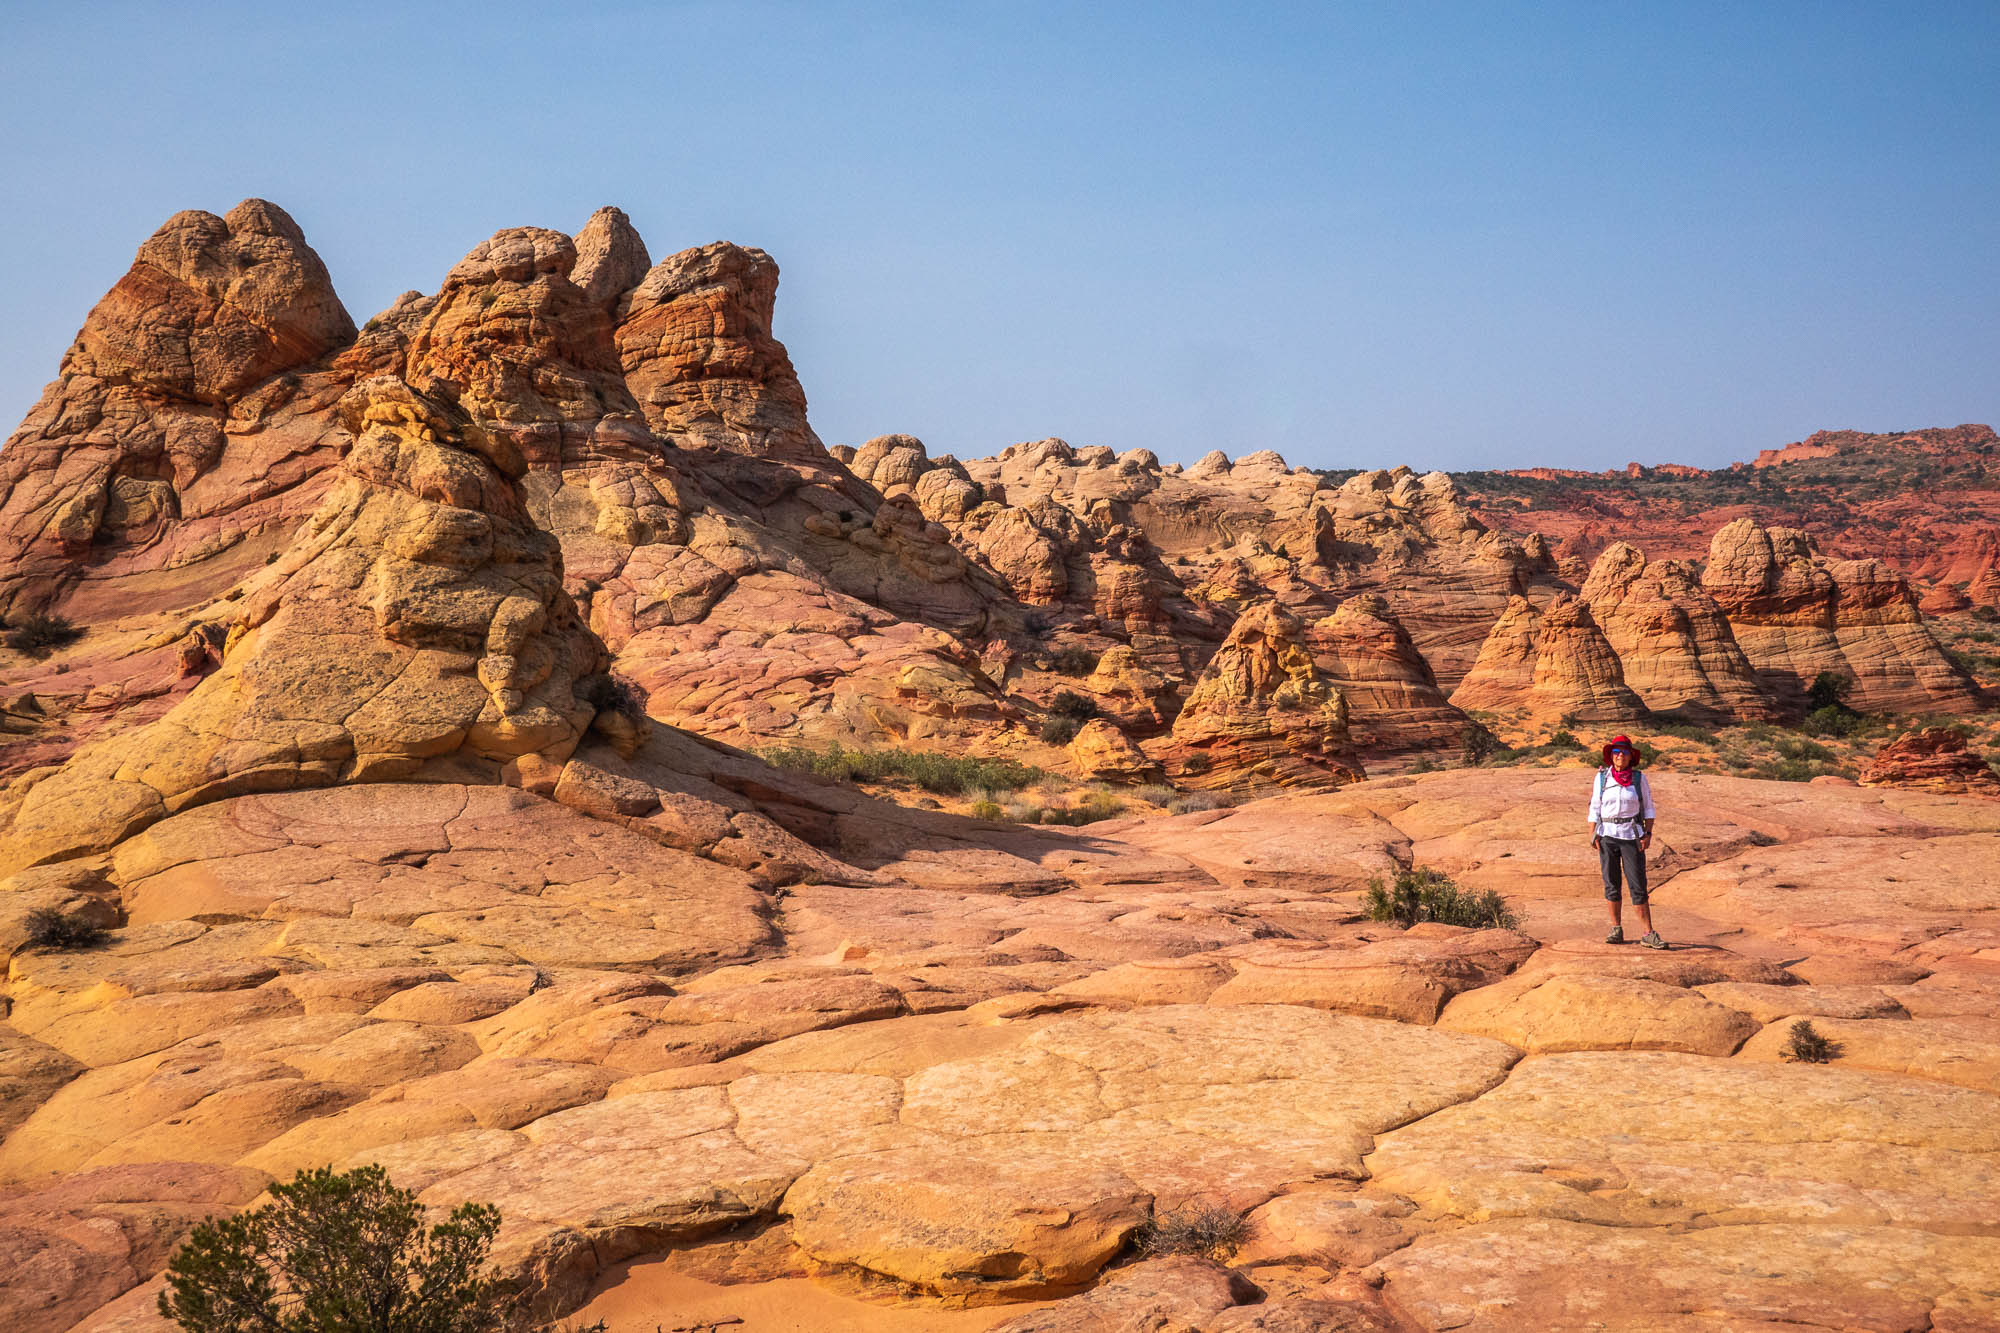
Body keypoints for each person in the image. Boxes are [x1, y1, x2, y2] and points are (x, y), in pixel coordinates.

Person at [1589, 735, 1663, 948]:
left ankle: (1648, 933)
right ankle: (1616, 929)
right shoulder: (1602, 778)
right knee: (1611, 883)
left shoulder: (1638, 779)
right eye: (1616, 751)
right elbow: (1595, 806)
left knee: (1637, 884)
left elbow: (1648, 808)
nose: (1620, 755)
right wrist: (1593, 833)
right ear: (1611, 756)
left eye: (1624, 752)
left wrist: (1648, 833)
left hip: (1631, 836)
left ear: (1631, 756)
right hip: (1607, 836)